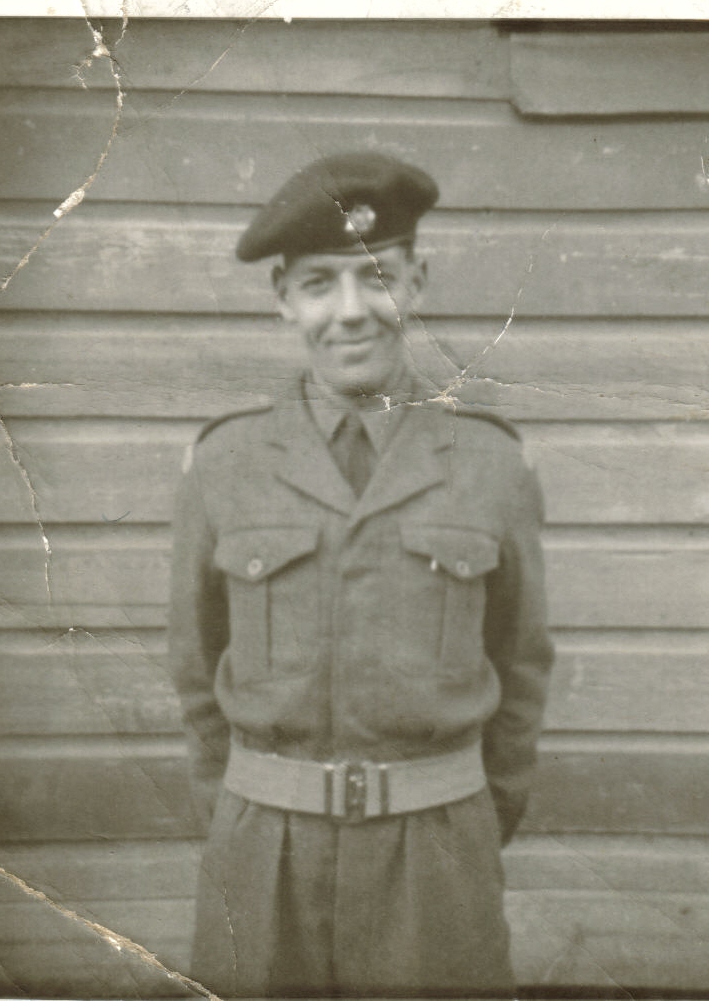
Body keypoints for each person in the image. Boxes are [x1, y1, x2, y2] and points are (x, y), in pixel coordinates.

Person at [167, 151, 555, 997]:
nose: (350, 312)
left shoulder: (491, 464)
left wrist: (468, 822)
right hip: (263, 856)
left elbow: (520, 665)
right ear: (283, 299)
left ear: (414, 283)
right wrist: (245, 811)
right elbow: (196, 670)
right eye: (318, 284)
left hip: (436, 858)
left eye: (375, 277)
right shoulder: (223, 463)